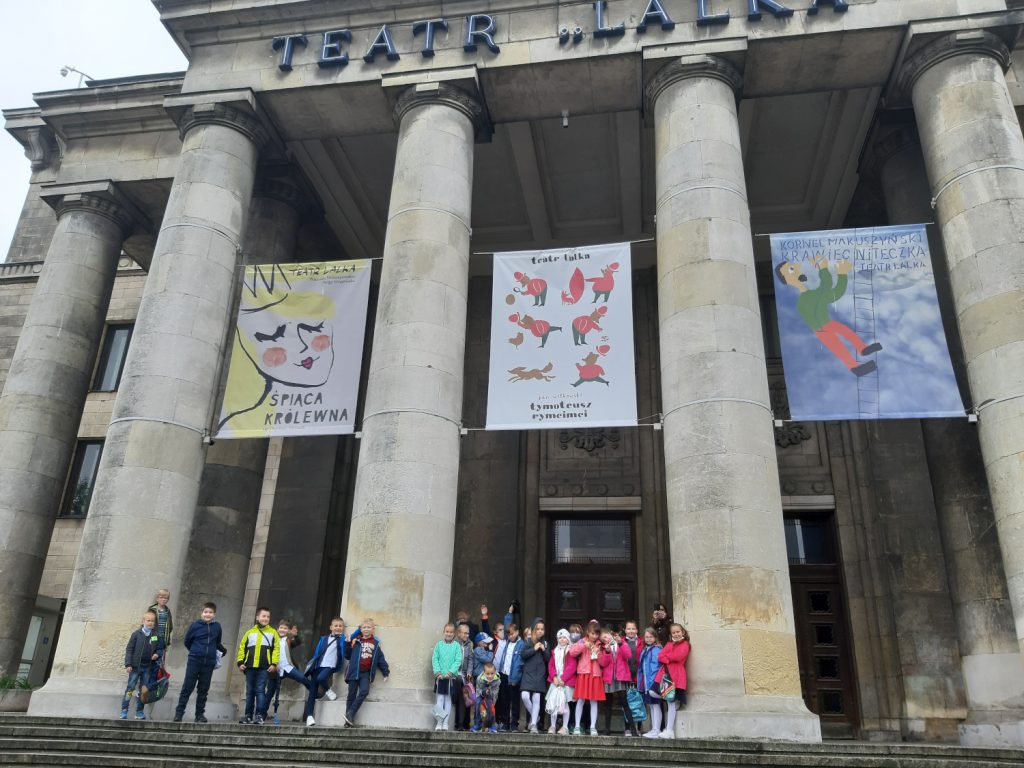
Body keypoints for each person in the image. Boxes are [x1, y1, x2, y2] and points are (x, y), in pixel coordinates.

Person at [775, 255, 882, 377]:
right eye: (791, 269)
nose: (797, 266)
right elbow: (827, 289)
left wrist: (840, 274)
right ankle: (855, 367)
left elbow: (834, 293)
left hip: (827, 324)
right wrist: (825, 269)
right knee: (839, 347)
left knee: (847, 333)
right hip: (821, 329)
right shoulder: (804, 300)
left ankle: (862, 349)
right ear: (787, 279)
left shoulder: (812, 294)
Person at [173, 602, 226, 723]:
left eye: (210, 612)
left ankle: (199, 715)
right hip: (195, 660)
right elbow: (187, 641)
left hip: (209, 662)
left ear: (214, 614)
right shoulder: (195, 626)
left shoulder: (217, 627)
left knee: (203, 689)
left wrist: (222, 650)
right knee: (188, 687)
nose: (208, 614)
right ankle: (179, 713)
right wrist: (196, 651)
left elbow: (217, 642)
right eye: (205, 612)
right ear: (201, 613)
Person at [237, 606, 280, 725]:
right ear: (257, 617)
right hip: (250, 666)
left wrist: (274, 663)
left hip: (264, 667)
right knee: (249, 691)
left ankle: (260, 715)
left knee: (260, 690)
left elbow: (276, 649)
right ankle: (248, 715)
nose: (266, 618)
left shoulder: (273, 633)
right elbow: (242, 648)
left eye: (268, 617)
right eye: (263, 616)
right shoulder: (250, 632)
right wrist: (240, 662)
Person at [344, 618, 389, 726]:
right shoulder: (355, 641)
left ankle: (350, 712)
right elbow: (347, 656)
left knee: (364, 691)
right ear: (360, 629)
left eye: (368, 627)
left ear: (373, 629)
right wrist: (347, 643)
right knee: (351, 695)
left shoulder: (376, 643)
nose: (366, 629)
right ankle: (348, 721)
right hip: (353, 672)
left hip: (365, 673)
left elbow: (380, 659)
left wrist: (385, 671)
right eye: (364, 627)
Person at [302, 617, 346, 727]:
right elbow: (317, 653)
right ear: (331, 627)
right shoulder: (323, 638)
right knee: (312, 692)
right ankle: (309, 716)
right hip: (318, 666)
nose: (338, 628)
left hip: (330, 666)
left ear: (343, 628)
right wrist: (313, 664)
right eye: (336, 626)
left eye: (340, 626)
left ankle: (328, 690)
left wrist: (358, 630)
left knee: (321, 678)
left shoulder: (342, 639)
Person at [120, 610, 163, 720]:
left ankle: (139, 711)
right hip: (135, 667)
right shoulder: (136, 634)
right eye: (148, 620)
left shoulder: (156, 635)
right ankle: (124, 710)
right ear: (143, 621)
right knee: (130, 688)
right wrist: (128, 664)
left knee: (144, 690)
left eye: (152, 621)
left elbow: (160, 649)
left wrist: (157, 654)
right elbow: (129, 650)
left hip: (147, 667)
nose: (150, 623)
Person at [569, 620, 609, 736]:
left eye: (596, 634)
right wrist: (583, 646)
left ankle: (592, 727)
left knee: (593, 701)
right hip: (584, 673)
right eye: (592, 633)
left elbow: (603, 663)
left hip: (595, 675)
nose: (594, 636)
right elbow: (572, 652)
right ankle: (577, 726)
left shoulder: (600, 645)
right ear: (587, 632)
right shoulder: (582, 641)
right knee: (581, 700)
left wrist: (599, 654)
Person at [652, 623, 690, 740]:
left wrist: (667, 657)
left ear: (682, 632)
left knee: (670, 703)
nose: (676, 634)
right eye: (673, 632)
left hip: (676, 675)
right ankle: (668, 729)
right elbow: (660, 656)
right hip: (666, 674)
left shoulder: (685, 644)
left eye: (678, 632)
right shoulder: (669, 644)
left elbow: (678, 656)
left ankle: (669, 730)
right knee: (652, 692)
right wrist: (669, 656)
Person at [268, 618, 309, 724]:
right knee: (270, 692)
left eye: (285, 628)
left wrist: (295, 635)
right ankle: (262, 714)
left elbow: (298, 642)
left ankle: (314, 692)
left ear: (288, 630)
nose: (282, 630)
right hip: (276, 669)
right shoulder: (273, 639)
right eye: (281, 628)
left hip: (288, 667)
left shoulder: (288, 640)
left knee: (303, 678)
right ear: (277, 629)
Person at [602, 626, 638, 737]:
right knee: (608, 705)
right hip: (609, 678)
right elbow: (602, 663)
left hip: (620, 677)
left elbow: (628, 655)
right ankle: (607, 730)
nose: (607, 638)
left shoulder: (622, 644)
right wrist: (607, 652)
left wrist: (621, 643)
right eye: (604, 638)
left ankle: (633, 729)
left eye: (608, 636)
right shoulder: (603, 647)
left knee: (625, 704)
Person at [518, 619, 550, 733]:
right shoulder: (528, 642)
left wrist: (544, 650)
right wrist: (534, 649)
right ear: (533, 630)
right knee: (525, 696)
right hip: (528, 673)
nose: (540, 631)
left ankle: (533, 724)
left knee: (536, 698)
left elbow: (548, 659)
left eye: (542, 629)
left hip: (539, 674)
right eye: (538, 629)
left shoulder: (545, 643)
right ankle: (536, 716)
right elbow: (523, 655)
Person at [545, 628, 576, 734]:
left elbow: (572, 666)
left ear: (568, 639)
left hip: (565, 681)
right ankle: (553, 726)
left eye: (564, 637)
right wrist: (554, 677)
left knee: (564, 705)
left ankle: (565, 727)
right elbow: (551, 665)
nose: (562, 639)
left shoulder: (570, 651)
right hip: (556, 681)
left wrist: (563, 678)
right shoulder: (555, 651)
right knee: (554, 703)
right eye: (560, 638)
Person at [431, 622, 462, 731]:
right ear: (444, 632)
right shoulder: (438, 645)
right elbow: (435, 659)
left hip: (450, 678)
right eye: (447, 631)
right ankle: (439, 722)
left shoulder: (456, 646)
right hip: (440, 678)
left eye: (451, 632)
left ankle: (445, 723)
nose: (449, 634)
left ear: (454, 633)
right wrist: (438, 672)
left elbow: (458, 660)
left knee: (448, 700)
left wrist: (450, 672)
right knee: (439, 699)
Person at [495, 621, 523, 732]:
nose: (511, 636)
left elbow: (519, 663)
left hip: (514, 676)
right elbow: (507, 622)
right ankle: (505, 723)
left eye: (512, 634)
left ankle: (514, 724)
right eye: (509, 635)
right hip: (504, 674)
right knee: (504, 700)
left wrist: (516, 678)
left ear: (517, 632)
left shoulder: (521, 644)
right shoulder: (507, 642)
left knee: (514, 702)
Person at [637, 627, 663, 739]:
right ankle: (654, 729)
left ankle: (657, 730)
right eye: (646, 637)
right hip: (647, 683)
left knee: (656, 705)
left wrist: (655, 681)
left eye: (651, 637)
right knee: (651, 706)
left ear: (655, 637)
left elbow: (657, 667)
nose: (648, 639)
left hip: (654, 682)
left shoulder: (657, 650)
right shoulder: (645, 650)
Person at [451, 622, 474, 731]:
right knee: (459, 697)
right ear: (458, 633)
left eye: (467, 633)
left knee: (465, 698)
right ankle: (458, 723)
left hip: (465, 676)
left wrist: (469, 672)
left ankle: (462, 723)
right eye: (464, 633)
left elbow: (470, 659)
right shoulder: (454, 643)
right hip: (455, 674)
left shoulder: (470, 644)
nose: (466, 635)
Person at [620, 620, 641, 736]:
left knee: (638, 702)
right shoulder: (621, 642)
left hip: (638, 676)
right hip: (626, 676)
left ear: (637, 630)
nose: (631, 631)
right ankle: (627, 727)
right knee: (627, 702)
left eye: (633, 629)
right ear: (625, 630)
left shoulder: (641, 642)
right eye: (629, 629)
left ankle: (638, 728)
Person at [472, 661, 501, 733]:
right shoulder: (479, 679)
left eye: (492, 673)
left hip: (491, 696)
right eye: (487, 673)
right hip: (481, 695)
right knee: (478, 703)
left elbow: (495, 693)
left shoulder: (497, 680)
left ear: (495, 672)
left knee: (490, 706)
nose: (490, 676)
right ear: (484, 673)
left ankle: (492, 725)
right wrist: (483, 692)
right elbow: (478, 690)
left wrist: (492, 701)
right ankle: (478, 724)